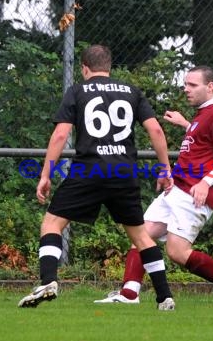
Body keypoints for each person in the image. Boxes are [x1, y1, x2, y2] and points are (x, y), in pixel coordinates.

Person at [18, 44, 176, 311]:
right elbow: (156, 132)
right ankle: (165, 296)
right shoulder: (131, 92)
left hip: (89, 169)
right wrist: (165, 168)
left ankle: (48, 281)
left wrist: (46, 174)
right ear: (110, 67)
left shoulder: (77, 91)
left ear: (84, 68)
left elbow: (59, 135)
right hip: (123, 172)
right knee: (140, 237)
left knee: (52, 224)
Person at [94, 65, 213, 306]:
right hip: (176, 188)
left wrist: (205, 183)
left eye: (192, 85)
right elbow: (203, 142)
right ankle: (129, 293)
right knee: (141, 236)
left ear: (210, 87)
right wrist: (186, 124)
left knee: (177, 252)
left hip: (193, 194)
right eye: (185, 84)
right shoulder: (203, 114)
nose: (185, 89)